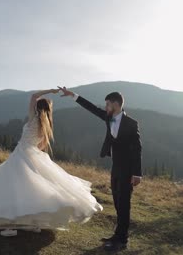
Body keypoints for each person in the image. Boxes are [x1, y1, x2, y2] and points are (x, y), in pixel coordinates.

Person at [0, 88, 103, 237]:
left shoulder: (33, 117)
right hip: (33, 154)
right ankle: (33, 223)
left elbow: (33, 96)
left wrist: (51, 91)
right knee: (32, 189)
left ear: (37, 108)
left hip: (21, 154)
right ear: (48, 110)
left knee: (13, 187)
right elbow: (42, 145)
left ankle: (11, 225)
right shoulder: (46, 125)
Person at [58, 86, 142, 251]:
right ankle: (117, 235)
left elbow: (137, 148)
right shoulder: (108, 117)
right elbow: (91, 108)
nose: (105, 108)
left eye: (108, 105)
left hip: (127, 170)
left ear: (116, 105)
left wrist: (137, 173)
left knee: (124, 204)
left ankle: (122, 241)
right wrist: (73, 95)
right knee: (118, 203)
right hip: (115, 168)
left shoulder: (131, 124)